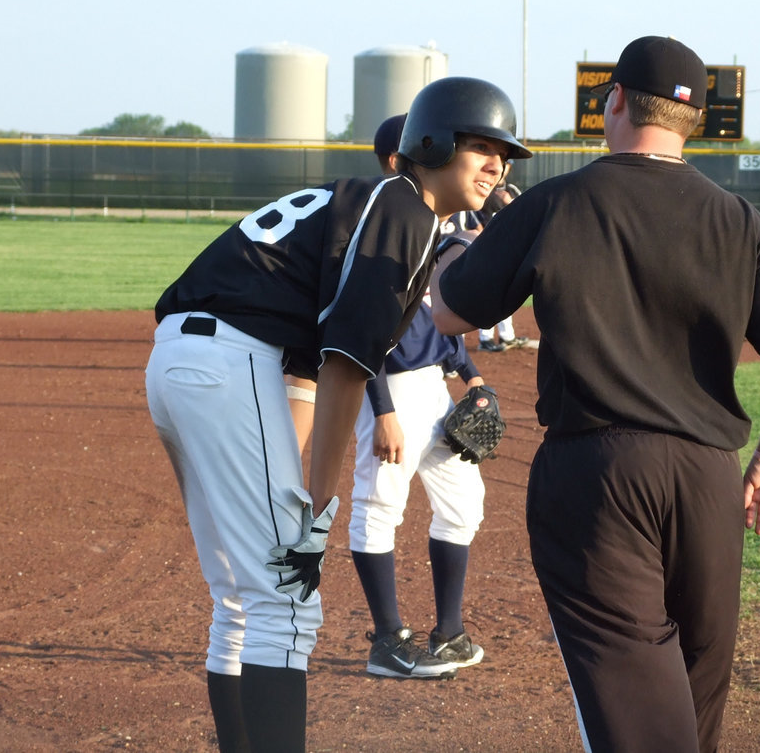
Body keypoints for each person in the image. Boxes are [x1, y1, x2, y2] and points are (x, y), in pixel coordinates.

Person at [428, 36, 760, 753]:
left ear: (612, 101)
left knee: (637, 723)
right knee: (692, 712)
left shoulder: (559, 201)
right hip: (707, 479)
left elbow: (450, 312)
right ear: (695, 120)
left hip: (597, 474)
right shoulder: (742, 221)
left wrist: (459, 245)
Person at [144, 76, 529, 752]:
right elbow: (345, 362)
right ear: (433, 142)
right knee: (284, 601)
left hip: (190, 361)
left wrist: (301, 502)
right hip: (228, 362)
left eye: (504, 153)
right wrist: (316, 511)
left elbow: (306, 369)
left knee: (244, 594)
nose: (497, 165)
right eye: (481, 147)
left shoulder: (379, 202)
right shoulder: (405, 212)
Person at [287, 113, 497, 680]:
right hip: (390, 392)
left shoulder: (430, 229)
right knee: (380, 505)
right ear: (397, 160)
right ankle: (386, 640)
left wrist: (471, 376)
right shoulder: (385, 222)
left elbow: (435, 325)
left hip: (434, 386)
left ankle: (449, 634)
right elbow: (359, 337)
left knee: (463, 503)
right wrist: (381, 414)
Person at [446, 175, 531, 353]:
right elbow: (477, 227)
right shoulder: (477, 193)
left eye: (505, 163)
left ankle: (507, 336)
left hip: (505, 250)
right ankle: (479, 341)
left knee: (504, 294)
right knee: (484, 295)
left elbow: (523, 214)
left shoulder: (512, 190)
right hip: (483, 251)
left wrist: (509, 202)